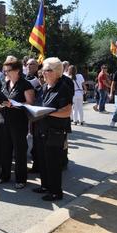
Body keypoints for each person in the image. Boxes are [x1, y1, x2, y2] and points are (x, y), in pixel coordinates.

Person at [33, 57, 73, 201]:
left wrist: (48, 113)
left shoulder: (63, 88)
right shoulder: (44, 87)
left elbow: (67, 112)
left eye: (48, 70)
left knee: (53, 163)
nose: (44, 73)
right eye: (43, 70)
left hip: (55, 132)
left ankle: (56, 192)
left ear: (57, 72)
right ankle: (45, 186)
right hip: (41, 129)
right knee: (43, 160)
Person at [0, 56, 34, 189]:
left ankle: (21, 179)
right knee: (5, 149)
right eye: (5, 70)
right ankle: (3, 175)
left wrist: (15, 104)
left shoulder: (25, 84)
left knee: (19, 151)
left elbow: (30, 103)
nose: (5, 73)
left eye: (8, 70)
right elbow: (2, 100)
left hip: (19, 122)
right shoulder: (5, 84)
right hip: (4, 120)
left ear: (17, 70)